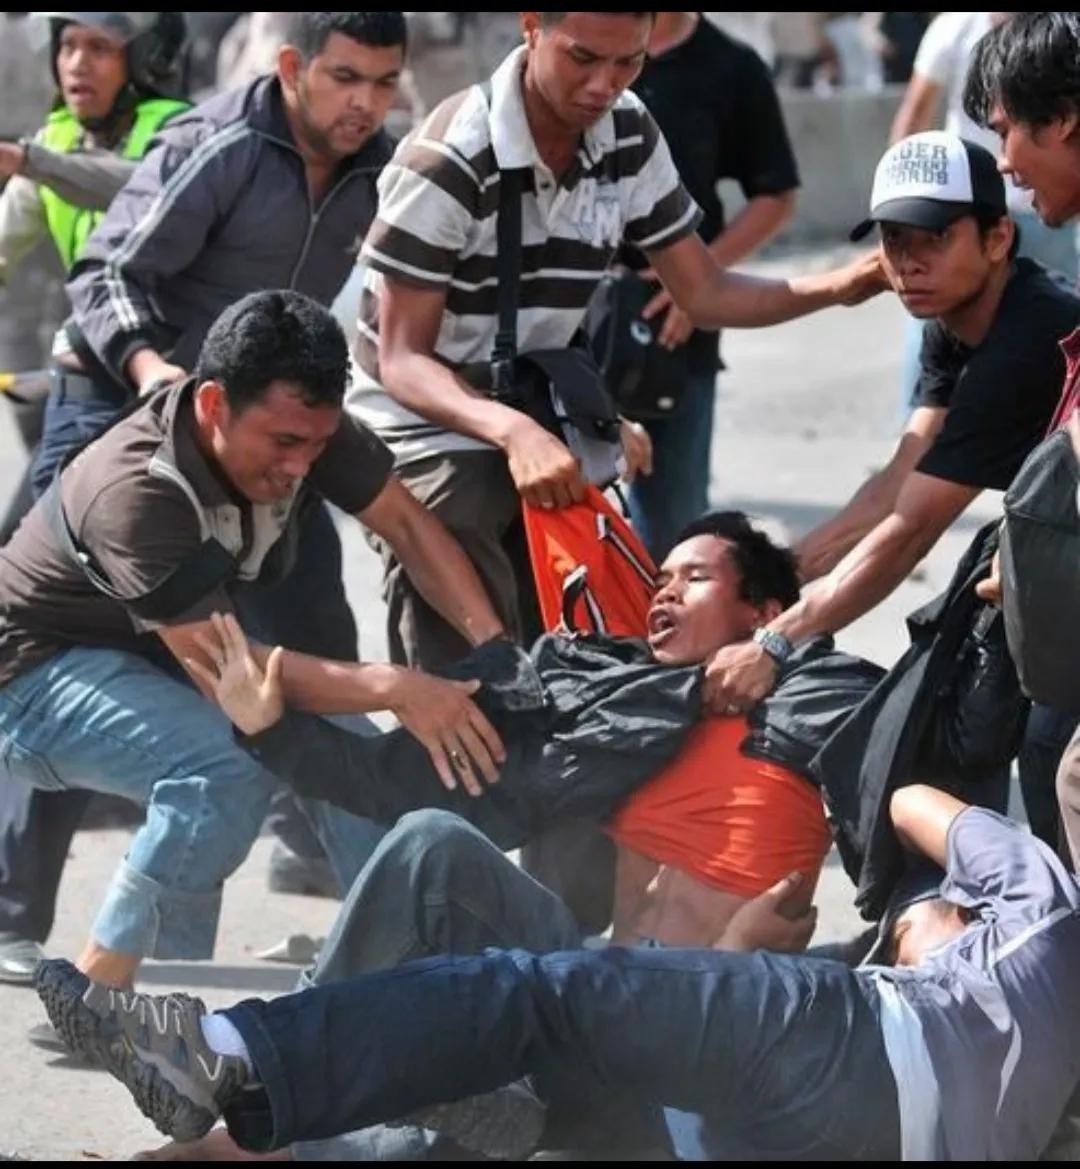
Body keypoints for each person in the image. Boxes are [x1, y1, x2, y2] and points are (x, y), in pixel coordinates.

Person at [348, 9, 881, 925]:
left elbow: (703, 288)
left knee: (603, 684)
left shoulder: (628, 132)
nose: (604, 85)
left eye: (627, 62)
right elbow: (400, 359)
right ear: (531, 27)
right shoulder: (455, 157)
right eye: (582, 58)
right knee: (479, 704)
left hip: (543, 420)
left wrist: (846, 284)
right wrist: (510, 433)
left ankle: (569, 944)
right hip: (430, 428)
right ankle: (434, 913)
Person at [1, 11, 413, 990]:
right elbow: (108, 275)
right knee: (98, 646)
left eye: (382, 81)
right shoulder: (222, 144)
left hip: (262, 423)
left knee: (309, 633)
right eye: (345, 77)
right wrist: (157, 377)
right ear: (293, 66)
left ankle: (329, 924)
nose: (364, 101)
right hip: (123, 397)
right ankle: (21, 914)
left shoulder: (379, 166)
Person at [38, 781, 1080, 1161]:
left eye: (697, 573)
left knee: (533, 995)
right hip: (753, 1106)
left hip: (832, 1039)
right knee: (446, 865)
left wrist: (932, 922)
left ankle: (231, 1057)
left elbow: (913, 801)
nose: (666, 589)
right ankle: (501, 1101)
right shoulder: (630, 696)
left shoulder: (1047, 912)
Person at [0, 289, 508, 994]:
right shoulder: (136, 492)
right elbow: (232, 672)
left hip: (159, 651)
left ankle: (404, 973)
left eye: (317, 445)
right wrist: (397, 685)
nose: (301, 466)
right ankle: (96, 992)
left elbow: (409, 526)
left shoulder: (302, 423)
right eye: (285, 444)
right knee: (224, 766)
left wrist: (496, 652)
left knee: (346, 744)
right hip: (33, 679)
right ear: (214, 405)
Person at [705, 133, 1080, 783]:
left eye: (934, 238)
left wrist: (775, 640)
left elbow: (911, 528)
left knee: (1049, 750)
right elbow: (900, 478)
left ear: (997, 239)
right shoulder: (953, 320)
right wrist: (780, 575)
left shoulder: (1025, 338)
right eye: (894, 240)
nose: (909, 262)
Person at [0, 11, 190, 986]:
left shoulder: (179, 128)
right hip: (86, 407)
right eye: (68, 45)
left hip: (172, 412)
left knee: (285, 634)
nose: (78, 64)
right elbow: (8, 236)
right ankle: (15, 907)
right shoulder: (51, 142)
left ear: (144, 57)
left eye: (101, 47)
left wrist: (32, 160)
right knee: (39, 628)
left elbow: (134, 192)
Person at [617, 10, 799, 562]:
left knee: (672, 535)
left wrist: (697, 278)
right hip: (567, 319)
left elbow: (776, 194)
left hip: (675, 333)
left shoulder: (732, 67)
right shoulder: (587, 50)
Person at [889, 12, 1078, 410]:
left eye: (1005, 133)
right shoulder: (956, 27)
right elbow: (913, 112)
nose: (1001, 162)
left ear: (1062, 119)